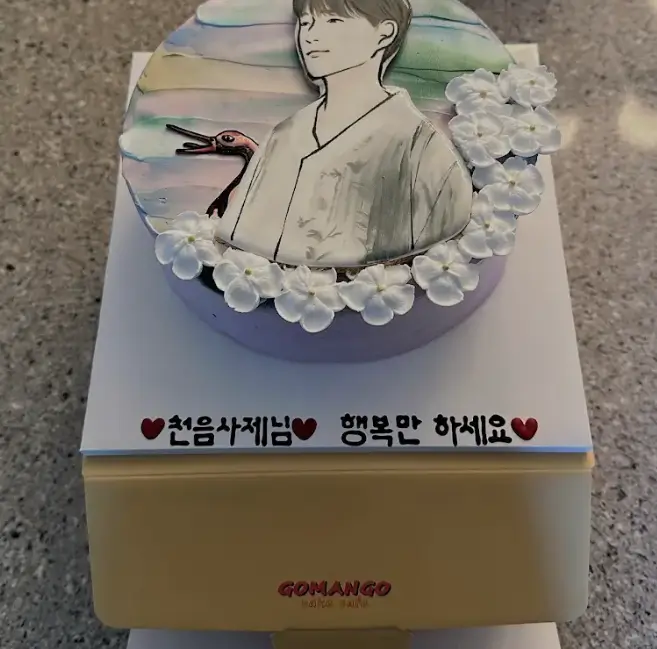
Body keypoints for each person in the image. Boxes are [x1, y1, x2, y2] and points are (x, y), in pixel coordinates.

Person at [216, 0, 472, 268]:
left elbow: (448, 232)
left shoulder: (422, 148)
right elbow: (238, 241)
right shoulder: (282, 137)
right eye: (306, 22)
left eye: (333, 20)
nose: (310, 35)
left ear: (384, 33)